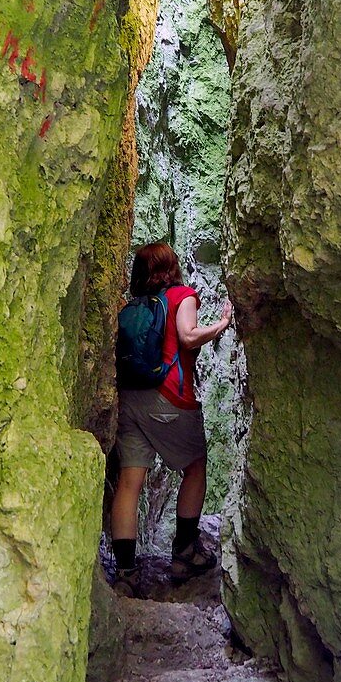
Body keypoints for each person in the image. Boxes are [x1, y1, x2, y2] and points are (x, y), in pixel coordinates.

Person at [111, 241, 233, 595]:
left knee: (130, 482)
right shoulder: (182, 295)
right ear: (171, 266)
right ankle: (184, 554)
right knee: (195, 465)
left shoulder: (131, 306)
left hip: (129, 399)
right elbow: (188, 336)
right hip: (168, 398)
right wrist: (222, 324)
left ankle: (126, 574)